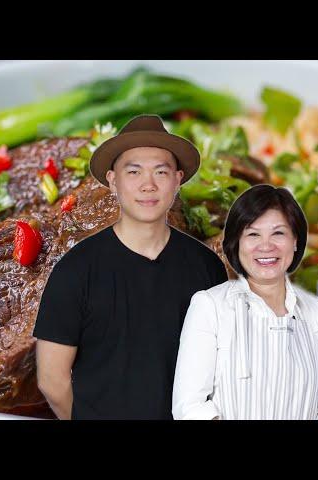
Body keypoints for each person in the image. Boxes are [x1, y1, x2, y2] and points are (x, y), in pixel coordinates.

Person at [32, 114, 228, 419]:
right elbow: (51, 380)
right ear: (113, 180)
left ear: (177, 181)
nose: (148, 185)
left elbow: (224, 370)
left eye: (160, 172)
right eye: (134, 172)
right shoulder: (76, 269)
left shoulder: (206, 265)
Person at [173, 184, 318, 420]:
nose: (266, 246)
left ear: (296, 241)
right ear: (236, 243)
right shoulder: (209, 305)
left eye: (278, 233)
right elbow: (190, 406)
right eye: (253, 234)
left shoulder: (317, 311)